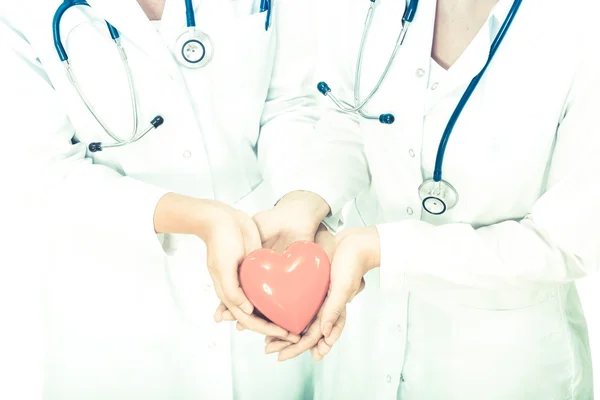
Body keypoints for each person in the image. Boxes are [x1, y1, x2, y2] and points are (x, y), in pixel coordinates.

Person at [258, 0, 600, 398]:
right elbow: (351, 119)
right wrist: (308, 199)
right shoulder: (367, 8)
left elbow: (565, 243)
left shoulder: (581, 27)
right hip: (360, 354)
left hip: (500, 368)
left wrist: (386, 248)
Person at [0, 0, 333, 398]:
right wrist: (198, 218)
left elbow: (288, 105)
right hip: (115, 297)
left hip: (264, 274)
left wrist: (298, 200)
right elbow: (41, 171)